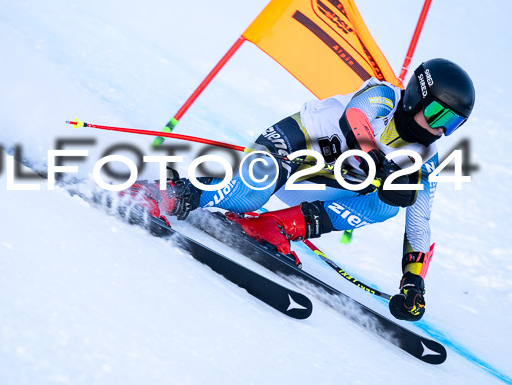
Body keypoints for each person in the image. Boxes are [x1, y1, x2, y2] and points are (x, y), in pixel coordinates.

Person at [128, 58, 475, 322]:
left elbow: (419, 224)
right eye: (436, 113)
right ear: (416, 96)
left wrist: (413, 282)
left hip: (318, 185)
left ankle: (273, 226)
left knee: (390, 203)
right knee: (250, 193)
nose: (439, 129)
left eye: (452, 123)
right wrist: (378, 162)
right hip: (291, 149)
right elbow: (355, 118)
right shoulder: (384, 96)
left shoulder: (424, 159)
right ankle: (168, 192)